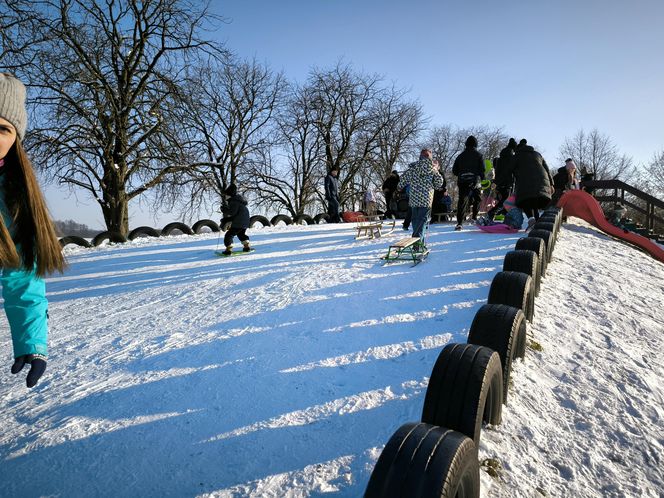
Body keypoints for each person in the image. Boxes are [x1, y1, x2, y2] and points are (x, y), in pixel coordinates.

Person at [0, 73, 66, 388]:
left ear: (15, 138)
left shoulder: (13, 197)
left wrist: (31, 340)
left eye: (3, 128)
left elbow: (20, 272)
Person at [501, 139, 554, 224]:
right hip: (543, 182)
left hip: (525, 182)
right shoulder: (537, 154)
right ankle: (537, 220)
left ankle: (531, 219)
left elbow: (508, 170)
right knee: (534, 200)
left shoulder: (517, 156)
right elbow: (547, 170)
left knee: (524, 199)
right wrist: (551, 184)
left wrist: (503, 182)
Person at [397, 149, 444, 239]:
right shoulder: (432, 170)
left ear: (420, 157)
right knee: (422, 221)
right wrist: (436, 171)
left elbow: (402, 180)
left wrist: (399, 187)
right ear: (430, 158)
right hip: (426, 200)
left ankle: (418, 242)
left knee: (415, 221)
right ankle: (417, 241)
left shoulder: (413, 168)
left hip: (414, 200)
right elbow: (439, 183)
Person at [452, 135, 485, 230]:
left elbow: (454, 171)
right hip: (475, 181)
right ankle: (474, 217)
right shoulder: (479, 155)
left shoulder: (460, 156)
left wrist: (461, 173)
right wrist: (482, 179)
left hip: (462, 180)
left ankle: (459, 222)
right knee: (477, 199)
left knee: (462, 201)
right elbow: (482, 169)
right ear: (476, 144)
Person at [488, 138, 517, 220]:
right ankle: (492, 213)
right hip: (507, 182)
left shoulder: (500, 158)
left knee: (503, 200)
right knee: (506, 201)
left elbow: (498, 171)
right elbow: (509, 171)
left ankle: (503, 215)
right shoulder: (511, 158)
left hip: (499, 182)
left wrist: (496, 182)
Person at [220, 183, 251, 255]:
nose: (225, 197)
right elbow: (236, 214)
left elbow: (232, 212)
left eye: (226, 195)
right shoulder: (239, 202)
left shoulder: (234, 202)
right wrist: (227, 219)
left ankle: (228, 249)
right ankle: (247, 246)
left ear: (229, 195)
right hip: (245, 222)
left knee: (229, 235)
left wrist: (224, 210)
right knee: (241, 234)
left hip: (239, 222)